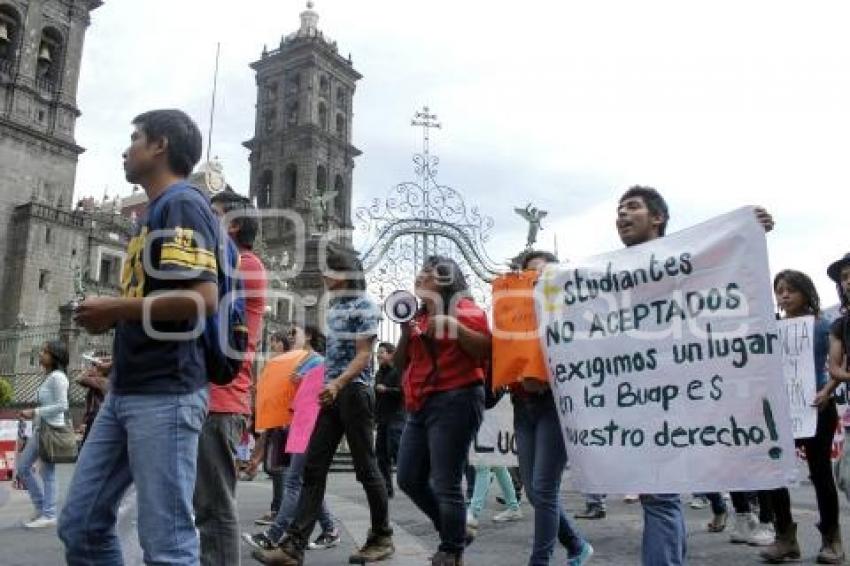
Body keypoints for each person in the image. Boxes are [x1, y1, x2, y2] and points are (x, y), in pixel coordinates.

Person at [59, 109, 218, 565]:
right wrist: (122, 333)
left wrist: (114, 308)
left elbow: (203, 297)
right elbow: (160, 303)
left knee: (167, 545)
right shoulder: (153, 214)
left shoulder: (182, 204)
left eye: (135, 138)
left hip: (165, 393)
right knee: (82, 524)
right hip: (127, 389)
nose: (126, 149)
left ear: (160, 145)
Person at [613, 185, 774, 566]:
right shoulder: (607, 274)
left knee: (660, 494)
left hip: (681, 394)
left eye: (632, 207)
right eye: (618, 209)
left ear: (658, 218)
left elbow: (725, 263)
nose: (621, 214)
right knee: (660, 496)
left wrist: (747, 232)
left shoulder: (685, 261)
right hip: (637, 398)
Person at [254, 243, 393, 565]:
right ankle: (293, 548)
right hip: (331, 394)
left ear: (344, 274)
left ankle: (381, 536)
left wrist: (338, 382)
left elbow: (363, 355)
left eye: (330, 268)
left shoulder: (364, 307)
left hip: (354, 392)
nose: (324, 273)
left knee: (366, 468)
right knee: (313, 469)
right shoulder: (334, 309)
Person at [394, 255, 491, 566]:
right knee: (408, 477)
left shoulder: (466, 310)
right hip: (420, 405)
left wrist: (453, 327)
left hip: (457, 398)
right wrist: (405, 334)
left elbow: (486, 351)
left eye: (429, 273)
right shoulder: (417, 318)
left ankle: (451, 550)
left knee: (446, 480)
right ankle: (456, 530)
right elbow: (399, 366)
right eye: (420, 271)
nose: (420, 277)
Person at [192, 189, 267, 566]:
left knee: (214, 505)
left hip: (221, 399)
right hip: (209, 397)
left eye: (212, 214)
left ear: (232, 225)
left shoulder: (246, 264)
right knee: (202, 503)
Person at [512, 250, 593, 566]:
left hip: (554, 407)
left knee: (544, 489)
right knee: (534, 492)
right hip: (523, 407)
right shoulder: (511, 316)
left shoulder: (571, 313)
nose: (536, 280)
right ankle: (576, 545)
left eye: (544, 273)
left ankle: (540, 561)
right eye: (529, 274)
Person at [243, 324, 339, 553]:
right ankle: (330, 529)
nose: (290, 336)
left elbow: (317, 394)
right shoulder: (297, 360)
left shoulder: (317, 361)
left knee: (294, 481)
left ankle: (273, 535)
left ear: (309, 336)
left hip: (310, 425)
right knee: (305, 482)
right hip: (297, 423)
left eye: (294, 333)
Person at [16, 340, 69, 528]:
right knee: (23, 468)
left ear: (55, 356)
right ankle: (41, 508)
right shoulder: (49, 376)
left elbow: (63, 406)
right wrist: (34, 414)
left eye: (45, 352)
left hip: (51, 431)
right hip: (40, 430)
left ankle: (49, 514)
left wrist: (35, 412)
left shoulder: (58, 378)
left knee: (48, 473)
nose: (41, 354)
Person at [374, 341, 404, 498]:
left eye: (382, 352)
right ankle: (386, 488)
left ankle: (412, 480)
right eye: (378, 352)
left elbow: (404, 391)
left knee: (395, 450)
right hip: (382, 419)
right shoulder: (379, 373)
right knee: (381, 454)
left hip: (397, 417)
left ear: (391, 354)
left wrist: (387, 390)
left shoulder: (398, 371)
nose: (378, 355)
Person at [75, 353, 110, 446]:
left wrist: (87, 372)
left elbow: (79, 379)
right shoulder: (103, 380)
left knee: (86, 447)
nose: (91, 368)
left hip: (95, 418)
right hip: (96, 418)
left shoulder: (101, 380)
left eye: (94, 366)